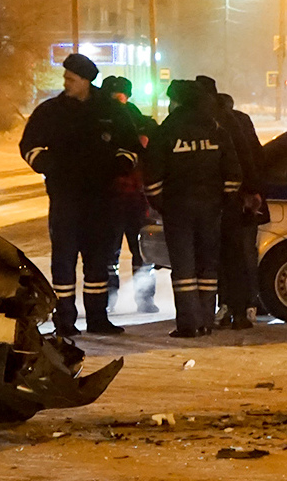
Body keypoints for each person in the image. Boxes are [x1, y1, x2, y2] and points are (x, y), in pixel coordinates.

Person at [19, 53, 139, 336]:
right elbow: (29, 145)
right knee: (64, 261)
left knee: (98, 261)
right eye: (66, 78)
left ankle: (98, 317)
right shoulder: (51, 111)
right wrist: (47, 165)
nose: (66, 83)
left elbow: (132, 146)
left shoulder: (111, 111)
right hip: (65, 198)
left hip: (101, 198)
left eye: (71, 79)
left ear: (86, 81)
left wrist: (120, 165)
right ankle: (65, 320)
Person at [144, 79, 242, 338]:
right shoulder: (216, 129)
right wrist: (223, 200)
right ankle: (206, 321)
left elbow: (152, 175)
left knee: (184, 268)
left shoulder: (167, 131)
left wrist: (162, 204)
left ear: (177, 102)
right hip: (211, 209)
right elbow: (233, 172)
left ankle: (188, 324)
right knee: (207, 266)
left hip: (178, 209)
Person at [202, 81, 264, 329]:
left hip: (230, 202)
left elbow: (245, 159)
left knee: (229, 257)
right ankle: (242, 306)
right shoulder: (238, 120)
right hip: (240, 202)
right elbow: (255, 156)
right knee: (240, 257)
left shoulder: (220, 122)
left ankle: (231, 306)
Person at [99, 75, 158, 314]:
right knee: (126, 252)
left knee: (131, 252)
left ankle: (114, 299)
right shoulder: (139, 121)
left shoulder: (133, 122)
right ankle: (129, 299)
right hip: (127, 197)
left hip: (128, 196)